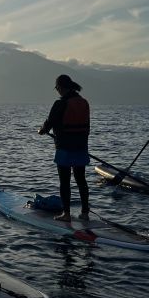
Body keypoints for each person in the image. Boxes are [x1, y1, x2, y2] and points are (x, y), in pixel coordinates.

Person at [38, 74, 90, 221]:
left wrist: (42, 130)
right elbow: (87, 127)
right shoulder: (83, 102)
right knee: (81, 180)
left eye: (57, 88)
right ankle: (85, 213)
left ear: (60, 87)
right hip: (81, 147)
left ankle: (66, 214)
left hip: (65, 148)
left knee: (65, 181)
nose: (57, 91)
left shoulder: (60, 104)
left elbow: (49, 124)